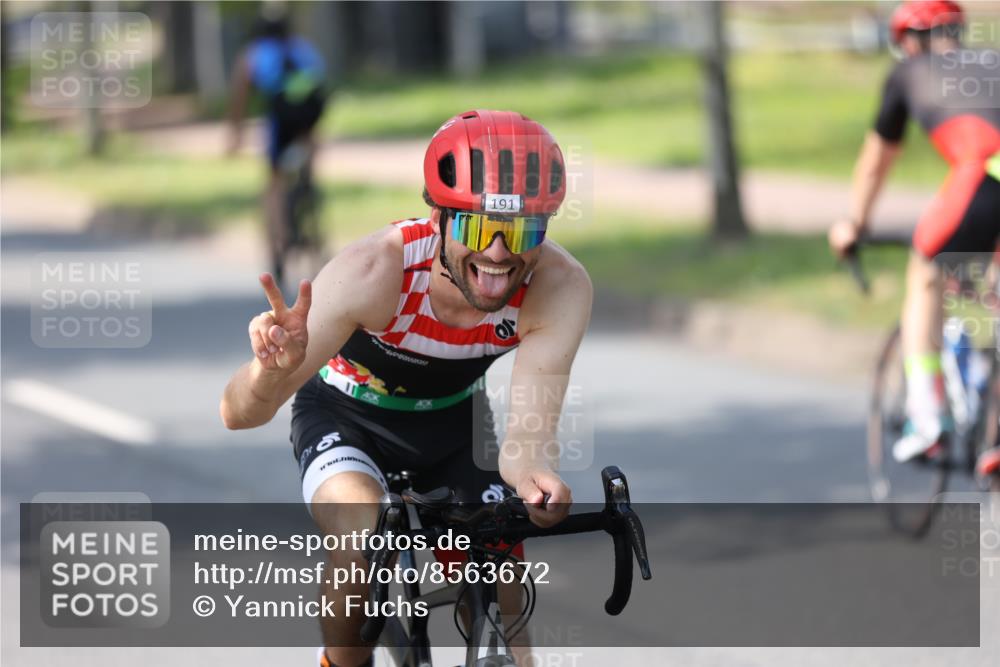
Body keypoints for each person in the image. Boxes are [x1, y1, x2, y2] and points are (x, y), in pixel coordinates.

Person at [220, 109, 592, 667]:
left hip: (451, 423)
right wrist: (270, 372)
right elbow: (238, 414)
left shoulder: (559, 287)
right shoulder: (375, 272)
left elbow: (528, 443)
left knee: (500, 576)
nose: (496, 254)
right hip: (347, 417)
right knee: (358, 528)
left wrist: (539, 486)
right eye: (474, 226)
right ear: (439, 217)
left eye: (518, 231)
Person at [828, 1, 1000, 474]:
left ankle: (926, 417)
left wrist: (854, 226)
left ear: (910, 40)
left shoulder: (909, 72)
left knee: (927, 268)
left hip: (987, 174)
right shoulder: (992, 59)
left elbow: (875, 163)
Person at [226, 9, 327, 286]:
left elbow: (240, 96)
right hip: (308, 123)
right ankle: (312, 214)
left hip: (280, 126)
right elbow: (320, 87)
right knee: (307, 166)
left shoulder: (253, 53)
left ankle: (279, 244)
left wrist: (235, 134)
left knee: (274, 186)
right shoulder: (304, 49)